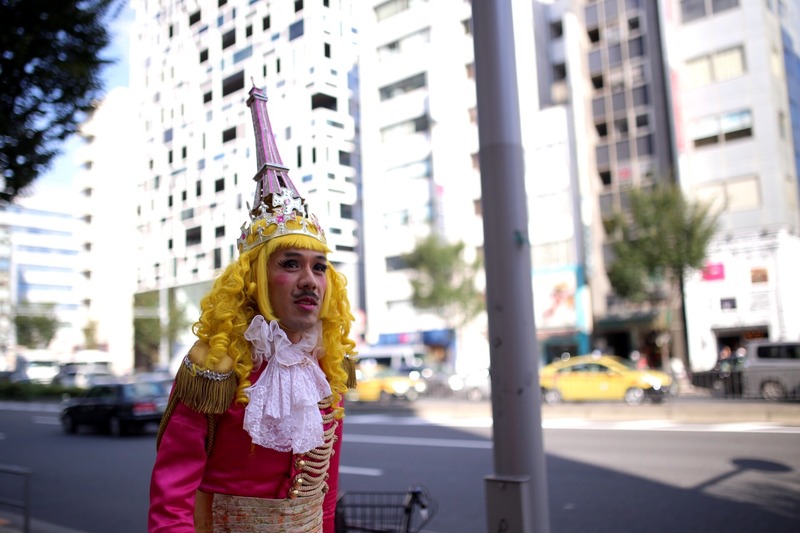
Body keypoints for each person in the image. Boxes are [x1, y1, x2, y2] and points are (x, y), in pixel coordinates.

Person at [148, 86, 357, 533]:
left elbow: (325, 494)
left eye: (319, 267)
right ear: (256, 279)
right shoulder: (214, 366)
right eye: (290, 264)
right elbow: (172, 499)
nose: (310, 279)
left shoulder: (328, 366)